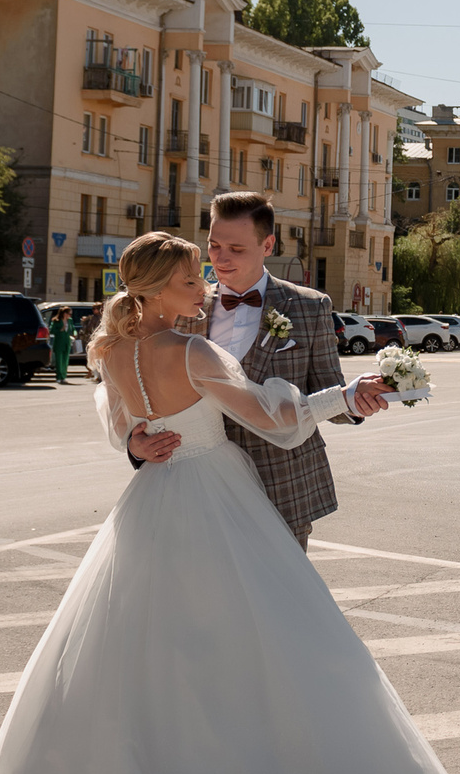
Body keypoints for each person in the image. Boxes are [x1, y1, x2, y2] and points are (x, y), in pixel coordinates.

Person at [0, 230, 460, 774]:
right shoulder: (192, 350)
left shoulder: (112, 348)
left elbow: (110, 415)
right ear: (152, 289)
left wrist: (134, 439)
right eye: (190, 281)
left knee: (143, 657)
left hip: (152, 503)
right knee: (270, 647)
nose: (204, 290)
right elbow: (278, 419)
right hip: (216, 499)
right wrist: (347, 396)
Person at [128, 192, 357, 550]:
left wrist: (357, 402)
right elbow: (139, 388)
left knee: (279, 597)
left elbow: (330, 388)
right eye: (214, 245)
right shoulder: (180, 306)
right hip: (197, 484)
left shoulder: (310, 308)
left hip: (280, 484)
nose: (220, 258)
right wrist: (135, 443)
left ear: (268, 245)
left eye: (236, 248)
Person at [48, 308, 73, 385]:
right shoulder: (56, 321)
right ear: (64, 313)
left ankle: (63, 377)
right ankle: (59, 377)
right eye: (69, 313)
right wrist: (60, 330)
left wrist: (74, 333)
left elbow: (73, 328)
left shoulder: (70, 320)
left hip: (66, 342)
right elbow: (51, 331)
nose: (70, 315)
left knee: (65, 360)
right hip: (59, 342)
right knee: (59, 361)